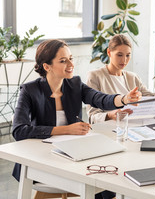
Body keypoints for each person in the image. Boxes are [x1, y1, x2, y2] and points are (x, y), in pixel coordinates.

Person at [11, 39, 138, 199]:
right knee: (97, 180)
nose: (70, 64)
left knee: (105, 177)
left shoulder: (75, 83)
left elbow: (99, 98)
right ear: (47, 66)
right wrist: (66, 130)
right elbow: (19, 130)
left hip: (72, 155)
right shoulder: (30, 90)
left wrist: (125, 99)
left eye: (71, 58)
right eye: (63, 61)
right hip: (42, 159)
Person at [86, 34, 155, 123]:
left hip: (133, 127)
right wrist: (110, 115)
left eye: (128, 55)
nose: (124, 60)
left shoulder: (133, 77)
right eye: (119, 55)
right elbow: (92, 116)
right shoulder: (95, 76)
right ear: (109, 52)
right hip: (110, 128)